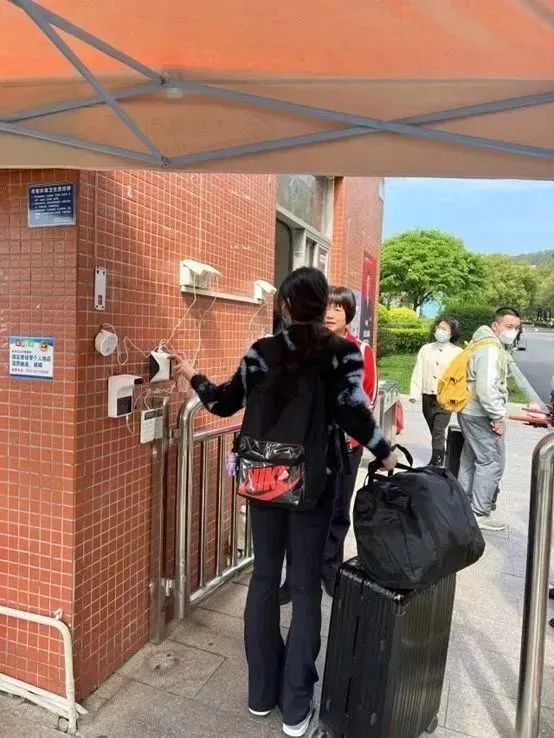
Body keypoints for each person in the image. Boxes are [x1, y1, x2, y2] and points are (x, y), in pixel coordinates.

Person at [172, 267, 396, 737]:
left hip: (263, 482)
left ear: (286, 306)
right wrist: (385, 450)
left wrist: (194, 377)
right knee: (306, 587)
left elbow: (224, 402)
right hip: (314, 485)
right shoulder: (342, 354)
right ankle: (295, 709)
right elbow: (354, 413)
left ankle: (260, 694)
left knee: (264, 580)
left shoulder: (263, 350)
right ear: (323, 305)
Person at [279, 286, 378, 603]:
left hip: (344, 446)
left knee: (337, 510)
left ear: (348, 314)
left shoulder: (361, 351)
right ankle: (294, 576)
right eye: (326, 306)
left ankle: (330, 570)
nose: (330, 313)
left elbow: (367, 397)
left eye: (338, 307)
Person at [458, 307, 521, 531]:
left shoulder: (481, 343)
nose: (513, 331)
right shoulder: (490, 349)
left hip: (470, 410)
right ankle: (479, 513)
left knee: (470, 459)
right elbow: (486, 388)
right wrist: (497, 416)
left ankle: (464, 507)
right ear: (495, 326)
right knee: (490, 462)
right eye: (508, 326)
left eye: (516, 327)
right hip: (480, 413)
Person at [409, 318, 462, 466]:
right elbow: (418, 371)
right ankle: (441, 451)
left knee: (438, 429)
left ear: (451, 333)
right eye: (439, 327)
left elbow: (460, 376)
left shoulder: (457, 352)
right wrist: (414, 393)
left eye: (444, 329)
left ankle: (436, 461)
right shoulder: (426, 349)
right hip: (428, 395)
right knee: (433, 428)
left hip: (445, 397)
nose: (440, 331)